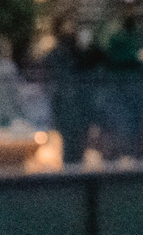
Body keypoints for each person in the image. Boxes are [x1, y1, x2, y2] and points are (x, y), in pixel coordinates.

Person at [96, 0, 143, 162]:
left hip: (141, 93)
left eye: (135, 7)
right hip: (117, 94)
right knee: (117, 140)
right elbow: (106, 52)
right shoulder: (112, 29)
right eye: (128, 7)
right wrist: (135, 56)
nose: (132, 11)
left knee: (140, 141)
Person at [39, 17, 99, 167]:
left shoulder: (81, 56)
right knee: (69, 153)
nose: (70, 32)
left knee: (79, 150)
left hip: (80, 110)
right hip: (66, 110)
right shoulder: (55, 56)